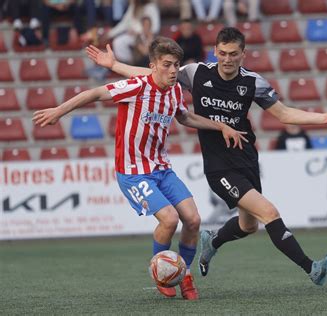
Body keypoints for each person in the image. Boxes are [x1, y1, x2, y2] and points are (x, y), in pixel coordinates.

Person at [85, 27, 327, 287]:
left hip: (246, 158)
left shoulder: (253, 82)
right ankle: (312, 269)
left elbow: (284, 114)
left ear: (243, 54)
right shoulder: (197, 73)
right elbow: (154, 72)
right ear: (215, 51)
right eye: (222, 53)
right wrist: (115, 65)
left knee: (248, 226)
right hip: (219, 167)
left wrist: (323, 118)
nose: (227, 59)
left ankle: (213, 242)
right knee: (269, 212)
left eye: (233, 53)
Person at [33, 37, 247, 300]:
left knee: (193, 219)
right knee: (169, 219)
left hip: (161, 169)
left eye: (176, 65)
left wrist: (221, 126)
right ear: (153, 66)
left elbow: (186, 117)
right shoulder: (136, 86)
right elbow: (95, 93)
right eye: (167, 64)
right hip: (133, 171)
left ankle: (184, 273)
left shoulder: (175, 91)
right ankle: (161, 272)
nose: (172, 70)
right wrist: (59, 110)